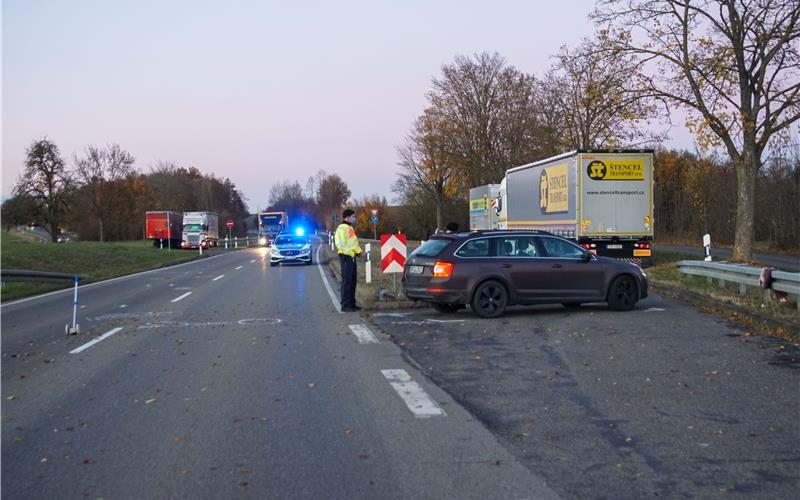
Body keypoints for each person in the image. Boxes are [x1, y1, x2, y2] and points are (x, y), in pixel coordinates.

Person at [334, 209, 363, 312]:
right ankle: (345, 305)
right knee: (347, 282)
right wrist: (351, 253)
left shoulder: (349, 228)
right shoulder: (341, 229)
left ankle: (352, 303)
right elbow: (341, 245)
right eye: (352, 216)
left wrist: (359, 251)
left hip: (352, 257)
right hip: (346, 257)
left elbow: (353, 243)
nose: (354, 218)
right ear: (347, 217)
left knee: (353, 281)